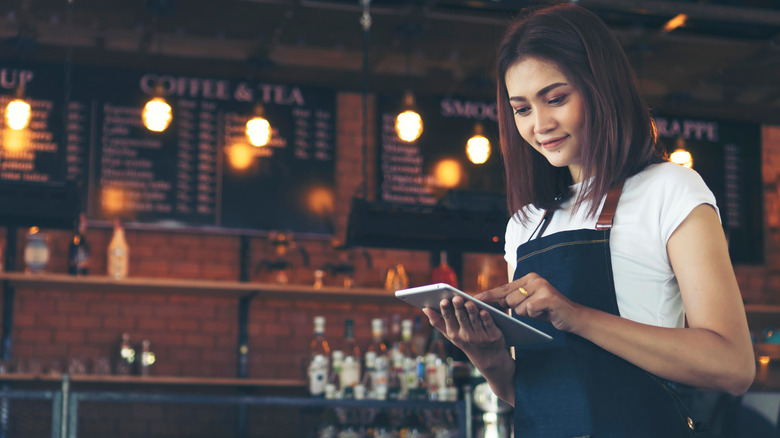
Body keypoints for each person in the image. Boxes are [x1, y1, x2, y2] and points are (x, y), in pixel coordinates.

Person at [421, 4, 755, 437]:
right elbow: (541, 395)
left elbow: (732, 365)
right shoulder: (525, 225)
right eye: (522, 109)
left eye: (556, 98)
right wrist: (486, 355)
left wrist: (574, 315)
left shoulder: (669, 190)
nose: (540, 124)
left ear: (601, 89)